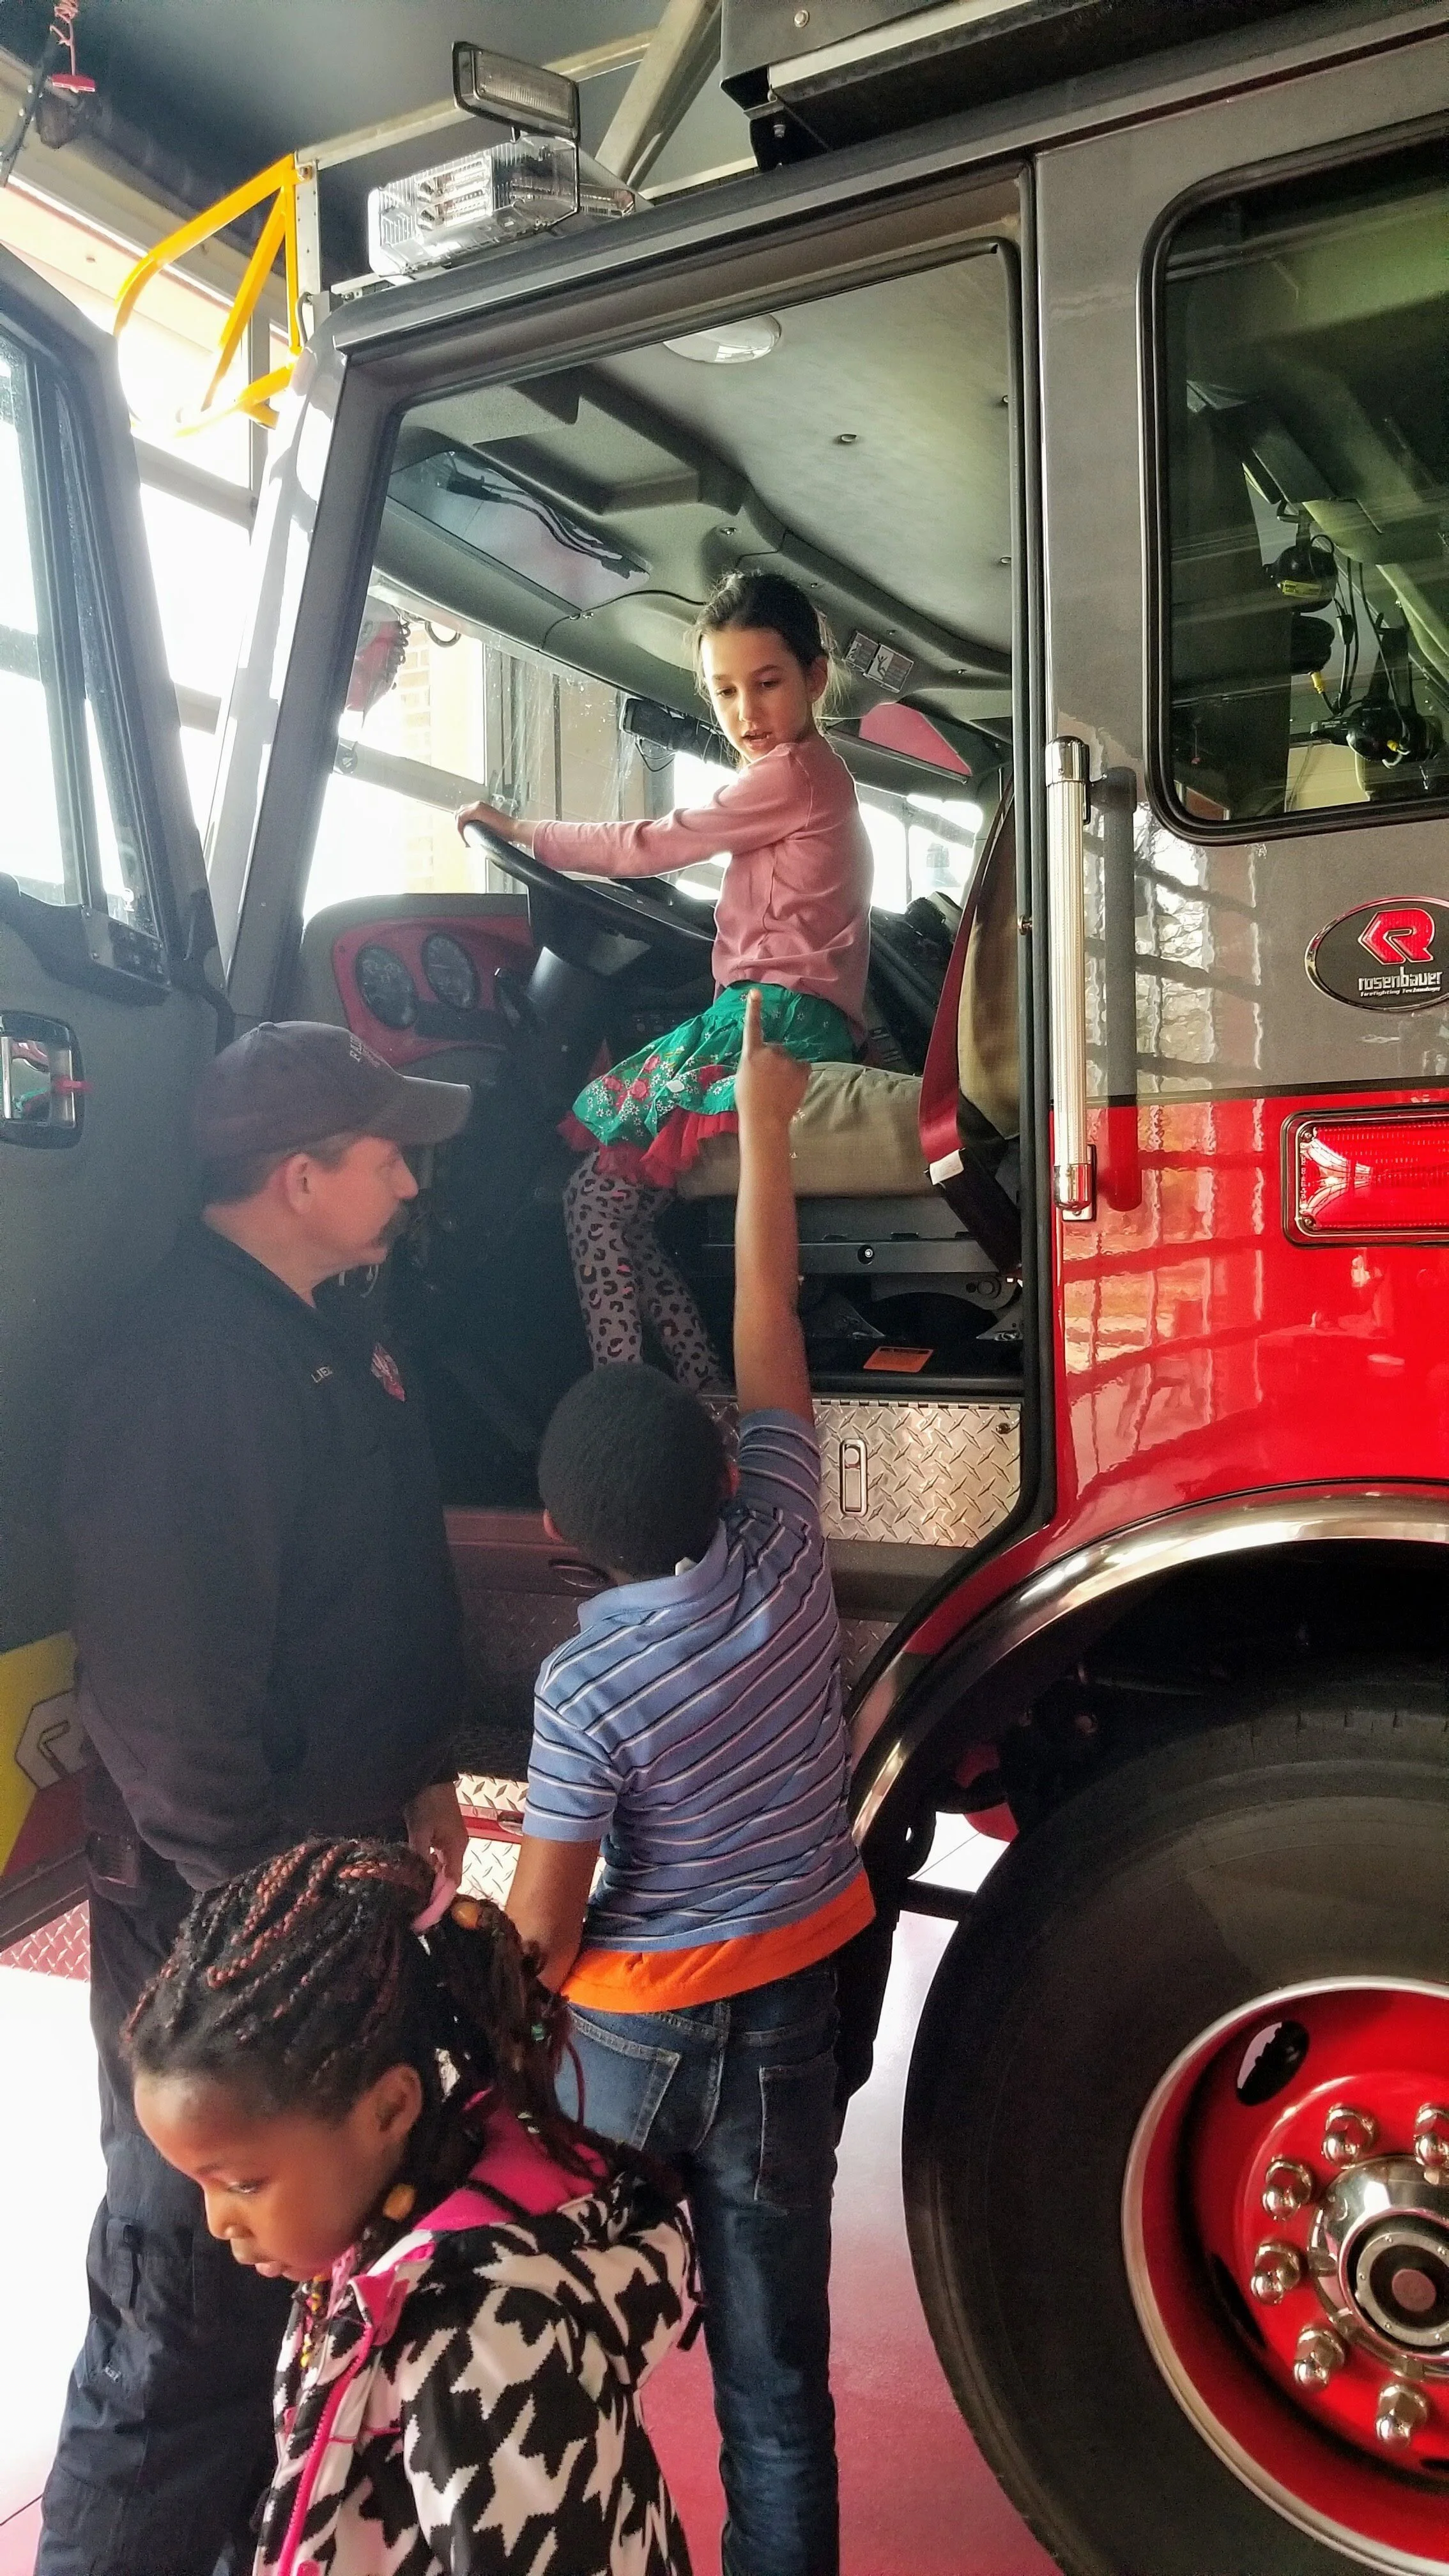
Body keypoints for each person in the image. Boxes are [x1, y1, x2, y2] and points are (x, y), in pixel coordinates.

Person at [40, 1023, 477, 2576]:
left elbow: (372, 1598)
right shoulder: (184, 1374)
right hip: (218, 1943)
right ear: (301, 1177)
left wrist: (420, 1775)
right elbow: (167, 1724)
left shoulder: (321, 1326)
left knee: (282, 2309)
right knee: (182, 2322)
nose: (412, 1182)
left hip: (319, 1901)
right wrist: (276, 1939)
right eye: (386, 1156)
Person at [507, 990, 875, 2576]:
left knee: (574, 2318)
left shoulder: (583, 1681)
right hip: (802, 2004)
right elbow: (767, 1317)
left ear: (562, 1543)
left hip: (637, 2043)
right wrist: (773, 1125)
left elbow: (541, 1929)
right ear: (729, 1469)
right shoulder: (791, 1544)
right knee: (779, 2384)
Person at [125, 1837, 696, 2576]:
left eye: (242, 2184)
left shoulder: (478, 2352)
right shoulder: (383, 2242)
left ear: (390, 2107)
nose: (217, 2223)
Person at [457, 569, 873, 1390]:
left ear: (815, 678)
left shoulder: (792, 776)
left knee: (589, 1202)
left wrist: (526, 833)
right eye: (725, 693)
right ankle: (702, 1402)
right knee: (625, 1218)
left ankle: (626, 1402)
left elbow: (652, 842)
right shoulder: (816, 781)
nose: (747, 714)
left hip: (769, 1026)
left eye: (767, 684)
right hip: (790, 1017)